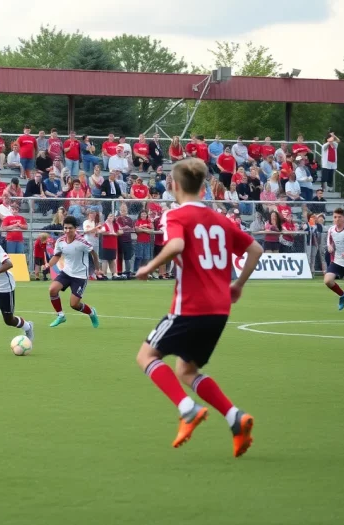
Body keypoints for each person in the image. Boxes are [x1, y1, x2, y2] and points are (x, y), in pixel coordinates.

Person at [133, 158, 263, 457]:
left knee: (146, 355)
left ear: (174, 186)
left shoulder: (175, 216)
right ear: (203, 186)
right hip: (219, 310)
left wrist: (149, 267)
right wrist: (238, 284)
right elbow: (255, 249)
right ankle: (235, 418)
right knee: (187, 370)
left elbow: (177, 246)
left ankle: (187, 408)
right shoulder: (221, 219)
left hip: (190, 306)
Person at [44, 216, 101, 328]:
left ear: (76, 228)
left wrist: (97, 268)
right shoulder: (60, 241)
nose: (67, 230)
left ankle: (91, 313)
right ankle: (60, 316)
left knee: (74, 304)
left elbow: (93, 253)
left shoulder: (82, 242)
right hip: (66, 272)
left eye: (70, 228)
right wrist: (48, 264)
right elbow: (57, 256)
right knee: (52, 289)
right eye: (65, 228)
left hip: (80, 276)